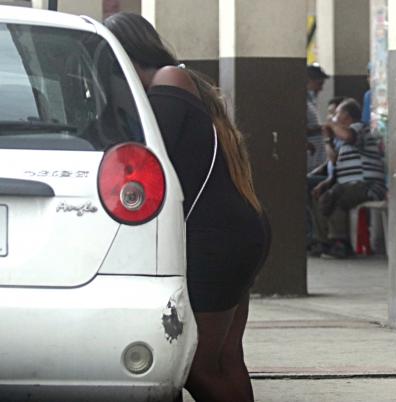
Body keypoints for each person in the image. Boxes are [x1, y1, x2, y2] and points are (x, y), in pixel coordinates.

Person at [105, 13, 269, 402]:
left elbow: (144, 157)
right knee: (226, 357)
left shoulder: (167, 80)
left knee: (194, 363)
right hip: (232, 232)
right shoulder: (176, 81)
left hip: (217, 238)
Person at [311, 98, 386, 259]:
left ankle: (340, 243)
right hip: (348, 184)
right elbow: (334, 160)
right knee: (323, 197)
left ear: (346, 115)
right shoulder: (341, 141)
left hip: (367, 184)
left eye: (337, 113)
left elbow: (348, 136)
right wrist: (327, 140)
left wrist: (331, 124)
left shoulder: (359, 127)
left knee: (336, 197)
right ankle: (326, 242)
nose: (334, 116)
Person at [307, 96, 345, 253]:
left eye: (334, 114)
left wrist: (328, 140)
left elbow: (336, 162)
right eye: (329, 114)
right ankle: (317, 237)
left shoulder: (347, 134)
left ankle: (325, 239)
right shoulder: (337, 136)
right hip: (332, 178)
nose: (330, 119)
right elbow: (329, 165)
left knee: (323, 194)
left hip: (340, 180)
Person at [307, 64, 330, 172]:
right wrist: (320, 129)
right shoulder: (302, 101)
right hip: (310, 156)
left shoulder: (311, 99)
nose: (321, 88)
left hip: (316, 158)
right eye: (319, 84)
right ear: (308, 80)